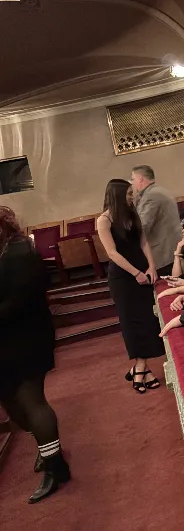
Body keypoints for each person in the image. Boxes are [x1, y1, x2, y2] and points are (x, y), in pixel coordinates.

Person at [0, 206, 70, 503]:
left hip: (26, 337)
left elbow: (20, 300)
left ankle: (56, 467)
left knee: (31, 400)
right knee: (14, 408)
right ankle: (47, 447)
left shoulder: (19, 252)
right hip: (5, 340)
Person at [97, 179, 165, 394]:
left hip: (143, 270)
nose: (132, 196)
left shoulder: (132, 213)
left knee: (147, 319)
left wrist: (151, 266)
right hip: (123, 277)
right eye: (128, 193)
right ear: (117, 195)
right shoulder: (104, 220)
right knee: (131, 322)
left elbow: (144, 241)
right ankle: (142, 368)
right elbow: (112, 253)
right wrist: (135, 273)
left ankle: (140, 368)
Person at [130, 165, 182, 276]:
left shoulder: (150, 196)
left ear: (140, 179)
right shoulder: (160, 190)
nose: (132, 183)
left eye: (133, 179)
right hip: (171, 248)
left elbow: (142, 226)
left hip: (163, 253)